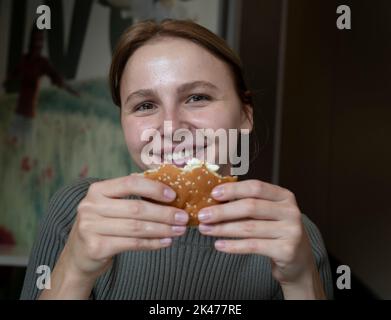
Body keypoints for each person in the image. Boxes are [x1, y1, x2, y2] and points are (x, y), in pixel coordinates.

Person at [20, 19, 333, 300]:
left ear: (245, 116)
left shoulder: (292, 234)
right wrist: (75, 270)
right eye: (144, 105)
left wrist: (302, 282)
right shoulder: (77, 212)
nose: (171, 127)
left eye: (197, 97)